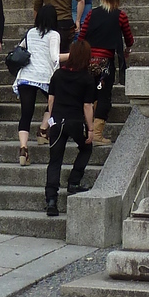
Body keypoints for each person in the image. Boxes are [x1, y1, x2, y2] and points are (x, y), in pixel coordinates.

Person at [43, 38, 97, 218]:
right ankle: (74, 182)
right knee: (86, 148)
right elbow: (87, 106)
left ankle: (51, 199)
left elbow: (51, 99)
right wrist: (90, 128)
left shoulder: (58, 75)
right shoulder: (87, 79)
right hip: (75, 122)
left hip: (57, 121)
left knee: (55, 160)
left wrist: (52, 117)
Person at [79, 0, 135, 145]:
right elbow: (129, 38)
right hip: (106, 63)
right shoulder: (120, 16)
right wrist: (127, 49)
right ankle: (97, 133)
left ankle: (87, 129)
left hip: (89, 61)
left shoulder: (91, 14)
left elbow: (81, 37)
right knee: (104, 95)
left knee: (89, 95)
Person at [13, 5, 61, 167]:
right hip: (44, 77)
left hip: (26, 76)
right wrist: (74, 55)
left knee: (26, 114)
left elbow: (21, 49)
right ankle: (42, 129)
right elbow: (55, 58)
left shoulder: (31, 32)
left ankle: (23, 149)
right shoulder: (54, 35)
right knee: (55, 101)